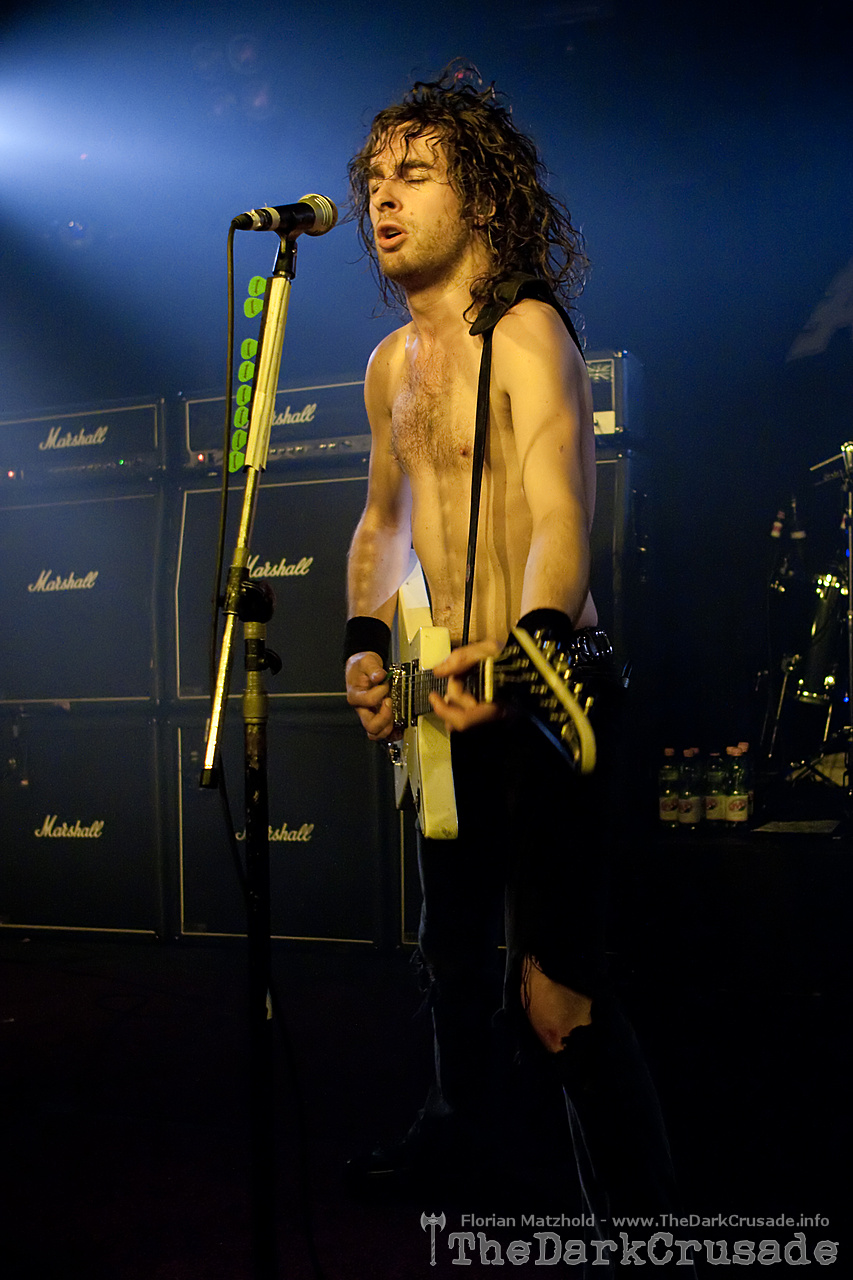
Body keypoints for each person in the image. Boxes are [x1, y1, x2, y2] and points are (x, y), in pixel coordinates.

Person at [342, 67, 676, 1222]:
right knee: (448, 953)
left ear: (481, 197)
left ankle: (638, 1223)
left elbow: (561, 518)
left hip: (548, 685)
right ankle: (459, 1150)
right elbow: (382, 523)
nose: (383, 197)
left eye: (414, 174)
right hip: (446, 686)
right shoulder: (391, 366)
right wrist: (365, 644)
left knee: (555, 991)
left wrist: (520, 658)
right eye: (374, 178)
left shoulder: (526, 332)